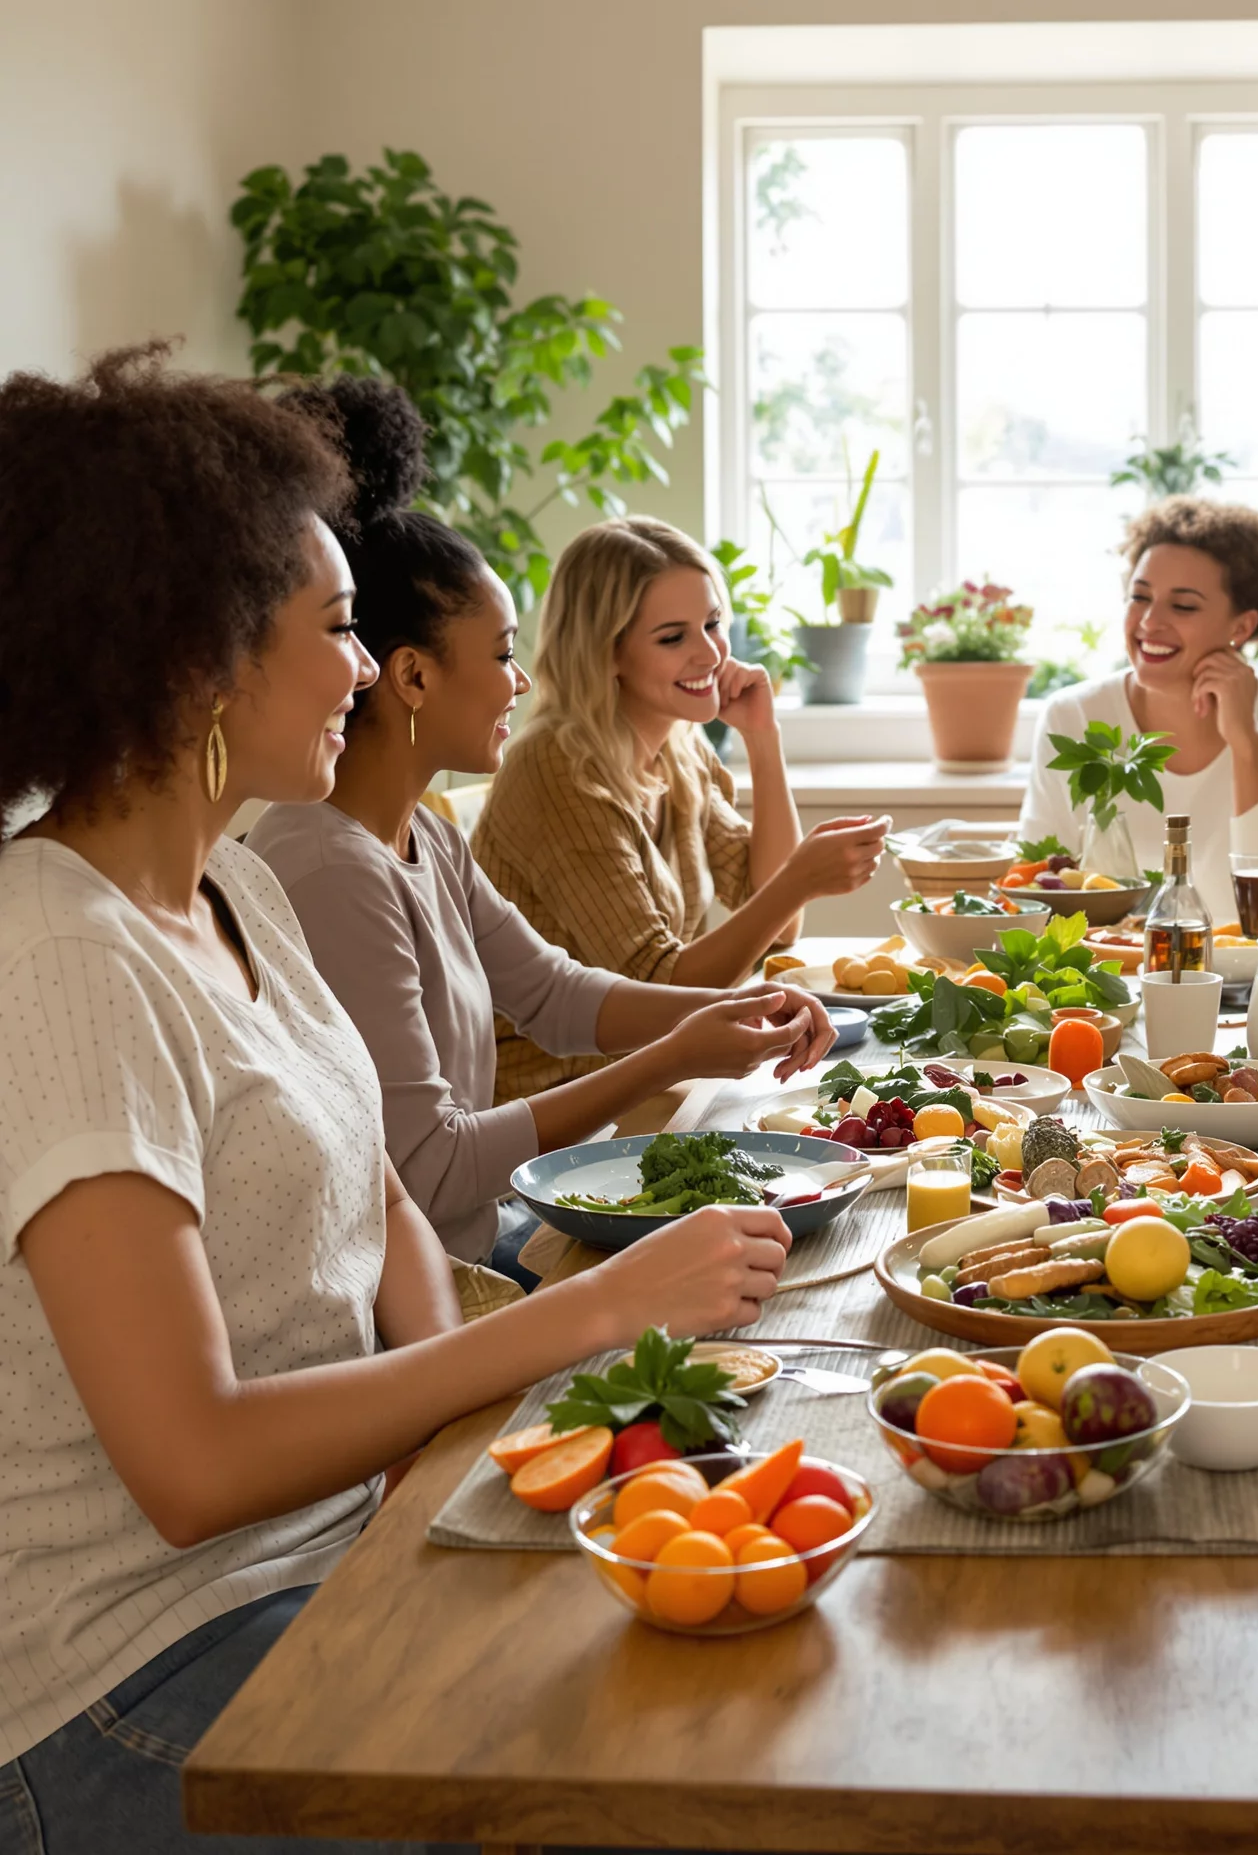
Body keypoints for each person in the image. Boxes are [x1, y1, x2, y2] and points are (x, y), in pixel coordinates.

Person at [0, 347, 793, 1852]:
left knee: (719, 1684)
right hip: (128, 1667)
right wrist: (590, 1313)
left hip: (326, 1554)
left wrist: (490, 1459)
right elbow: (192, 1467)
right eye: (339, 628)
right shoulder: (58, 953)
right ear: (196, 655)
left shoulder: (237, 883)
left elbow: (383, 1214)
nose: (367, 672)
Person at [248, 381, 833, 1287]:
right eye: (503, 653)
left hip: (478, 1244)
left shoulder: (425, 839)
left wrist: (730, 1015)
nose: (520, 681)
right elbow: (431, 1164)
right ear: (409, 677)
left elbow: (556, 994)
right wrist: (678, 1049)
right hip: (428, 1293)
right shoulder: (331, 866)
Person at [474, 516, 887, 1102]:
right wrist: (800, 879)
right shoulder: (558, 768)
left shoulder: (677, 747)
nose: (711, 653)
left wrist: (762, 740)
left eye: (713, 624)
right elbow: (658, 987)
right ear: (605, 653)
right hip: (554, 1100)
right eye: (673, 638)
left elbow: (773, 918)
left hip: (647, 1077)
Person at [1018, 495, 1258, 919]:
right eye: (1139, 597)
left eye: (1183, 605)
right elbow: (1034, 891)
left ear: (1241, 626)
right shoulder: (1072, 717)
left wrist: (1246, 743)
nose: (1150, 622)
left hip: (1252, 981)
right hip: (1109, 974)